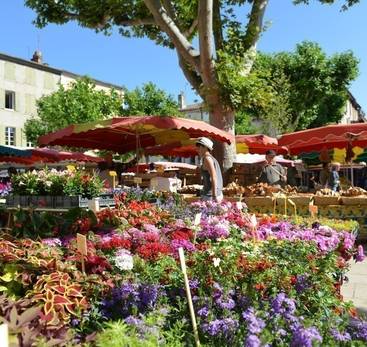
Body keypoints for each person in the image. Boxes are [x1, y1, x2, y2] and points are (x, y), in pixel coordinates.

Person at [195, 137, 223, 202]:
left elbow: (214, 177)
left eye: (199, 146)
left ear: (205, 147)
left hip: (210, 196)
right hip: (213, 193)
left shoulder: (207, 159)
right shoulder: (211, 158)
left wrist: (214, 196)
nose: (197, 149)